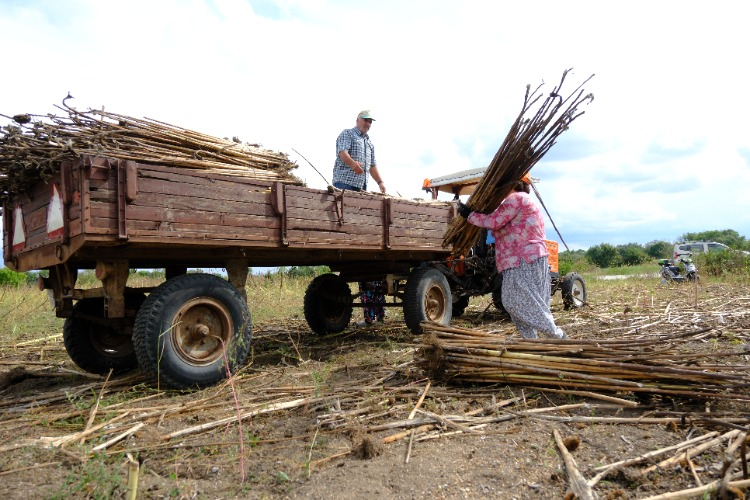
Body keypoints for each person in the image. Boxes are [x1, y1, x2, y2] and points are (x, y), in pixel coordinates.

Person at [457, 174, 566, 340]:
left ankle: (556, 334)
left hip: (522, 258)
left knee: (512, 302)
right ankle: (531, 341)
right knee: (533, 302)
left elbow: (493, 222)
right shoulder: (524, 200)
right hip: (529, 257)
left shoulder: (516, 198)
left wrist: (470, 215)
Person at [333, 110, 386, 326]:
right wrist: (353, 164)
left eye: (370, 121)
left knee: (360, 221)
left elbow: (372, 166)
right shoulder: (348, 134)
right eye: (365, 120)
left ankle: (376, 317)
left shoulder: (369, 143)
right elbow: (342, 153)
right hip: (345, 183)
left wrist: (380, 182)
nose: (368, 124)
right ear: (357, 120)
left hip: (361, 188)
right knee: (344, 217)